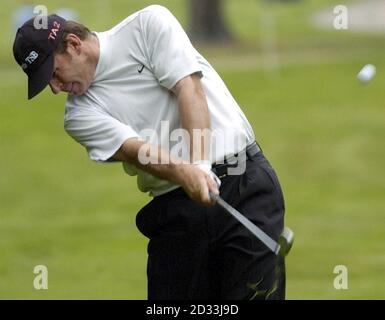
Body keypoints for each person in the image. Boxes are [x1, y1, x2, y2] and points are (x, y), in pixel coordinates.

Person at [13, 5, 286, 299]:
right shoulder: (79, 115)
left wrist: (200, 166)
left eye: (54, 73)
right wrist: (187, 173)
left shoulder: (148, 25)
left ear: (74, 45)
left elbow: (188, 89)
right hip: (175, 215)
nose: (55, 88)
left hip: (243, 184)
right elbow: (136, 150)